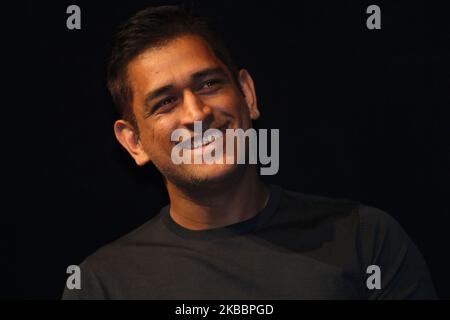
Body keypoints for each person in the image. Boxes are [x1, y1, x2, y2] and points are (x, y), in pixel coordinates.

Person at [62, 5, 436, 299]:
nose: (196, 114)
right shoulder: (102, 284)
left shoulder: (366, 239)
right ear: (134, 142)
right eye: (165, 102)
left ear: (248, 95)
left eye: (208, 84)